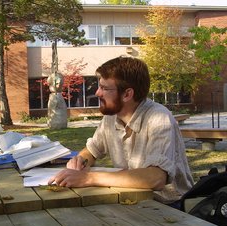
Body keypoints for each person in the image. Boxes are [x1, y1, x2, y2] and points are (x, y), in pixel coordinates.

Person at [48, 56, 194, 206]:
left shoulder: (158, 118)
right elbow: (91, 151)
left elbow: (156, 178)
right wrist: (80, 161)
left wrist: (88, 178)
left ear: (127, 94)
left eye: (104, 88)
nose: (97, 93)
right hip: (132, 200)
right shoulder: (112, 117)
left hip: (170, 206)